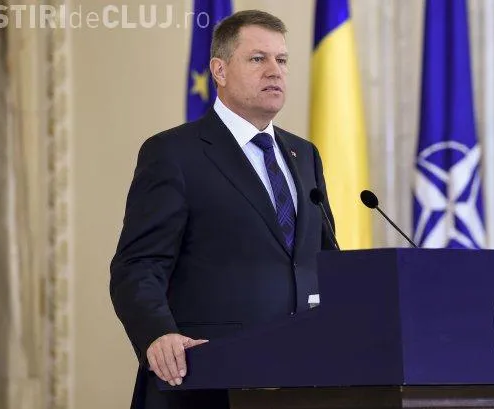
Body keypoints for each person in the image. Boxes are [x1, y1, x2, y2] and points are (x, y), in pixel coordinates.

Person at [109, 10, 336, 409]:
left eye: (282, 60)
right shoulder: (174, 153)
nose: (275, 71)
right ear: (219, 70)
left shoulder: (304, 155)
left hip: (304, 376)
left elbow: (324, 259)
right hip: (209, 377)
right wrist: (157, 334)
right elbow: (138, 265)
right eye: (257, 58)